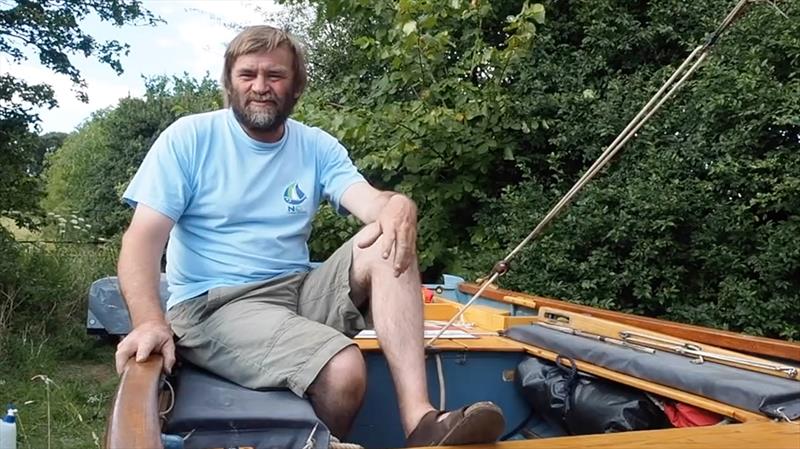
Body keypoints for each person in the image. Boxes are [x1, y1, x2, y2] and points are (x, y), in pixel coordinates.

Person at [113, 25, 505, 446]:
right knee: (343, 368)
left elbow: (369, 202)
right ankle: (317, 442)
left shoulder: (316, 145)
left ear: (296, 86)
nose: (260, 87)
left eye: (275, 76)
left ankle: (421, 423)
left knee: (387, 236)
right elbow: (142, 241)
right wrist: (150, 321)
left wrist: (397, 206)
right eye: (248, 75)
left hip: (296, 291)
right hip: (215, 305)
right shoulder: (189, 139)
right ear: (230, 83)